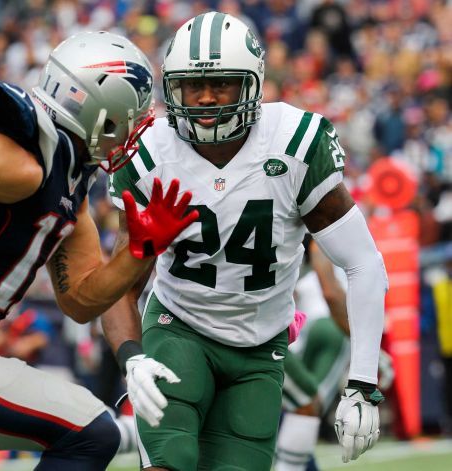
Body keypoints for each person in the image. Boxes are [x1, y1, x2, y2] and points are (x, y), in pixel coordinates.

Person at [103, 11, 388, 471]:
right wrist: (132, 358)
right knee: (168, 461)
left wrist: (362, 382)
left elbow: (363, 264)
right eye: (193, 86)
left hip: (260, 345)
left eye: (223, 84)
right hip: (179, 325)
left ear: (253, 84)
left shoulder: (295, 144)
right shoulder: (150, 152)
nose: (207, 98)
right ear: (172, 89)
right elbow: (120, 280)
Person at [0, 31, 198, 471]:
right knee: (91, 434)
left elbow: (80, 300)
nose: (132, 129)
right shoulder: (23, 163)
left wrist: (141, 251)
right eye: (129, 115)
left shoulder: (67, 185)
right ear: (104, 108)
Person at [275, 237, 394, 471]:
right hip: (322, 327)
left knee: (293, 402)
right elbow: (330, 292)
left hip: (292, 326)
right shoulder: (321, 228)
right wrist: (368, 350)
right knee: (308, 403)